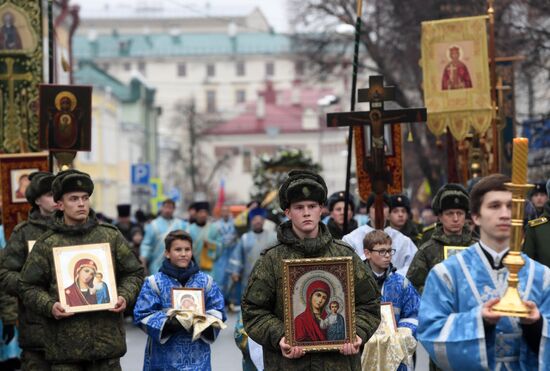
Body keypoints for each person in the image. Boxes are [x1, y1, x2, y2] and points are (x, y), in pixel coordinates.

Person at [242, 169, 381, 370]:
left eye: (312, 206)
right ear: (287, 212)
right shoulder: (271, 260)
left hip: (338, 365)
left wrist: (357, 333)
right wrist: (282, 336)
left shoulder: (344, 255)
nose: (306, 212)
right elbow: (253, 311)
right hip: (288, 365)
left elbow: (369, 303)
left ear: (321, 209)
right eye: (299, 207)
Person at [418, 174, 550, 369]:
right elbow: (430, 332)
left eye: (511, 205)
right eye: (495, 206)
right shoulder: (447, 274)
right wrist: (479, 319)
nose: (505, 214)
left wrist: (536, 325)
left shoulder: (543, 276)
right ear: (476, 216)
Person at [19, 169, 144, 370]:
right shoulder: (47, 244)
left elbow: (134, 272)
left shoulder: (109, 236)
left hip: (106, 347)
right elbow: (27, 286)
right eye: (74, 199)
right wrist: (50, 306)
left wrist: (123, 296)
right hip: (65, 350)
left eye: (85, 198)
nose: (81, 203)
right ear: (59, 205)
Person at [133, 230, 226, 371]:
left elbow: (218, 310)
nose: (183, 254)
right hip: (164, 358)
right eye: (178, 249)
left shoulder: (206, 281)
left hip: (198, 356)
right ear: (167, 253)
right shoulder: (154, 282)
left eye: (187, 249)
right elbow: (142, 314)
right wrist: (170, 323)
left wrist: (204, 321)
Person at [0, 171, 56, 370]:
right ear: (37, 200)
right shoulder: (23, 234)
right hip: (37, 330)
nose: (56, 200)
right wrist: (30, 288)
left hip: (78, 334)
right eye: (50, 195)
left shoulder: (77, 229)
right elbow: (6, 275)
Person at [363, 230, 420, 371]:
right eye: (382, 251)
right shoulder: (357, 282)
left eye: (389, 250)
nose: (388, 255)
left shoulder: (402, 283)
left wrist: (403, 333)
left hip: (395, 352)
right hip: (364, 351)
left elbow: (415, 313)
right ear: (367, 253)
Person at [407, 183, 476, 293]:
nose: (455, 218)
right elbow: (412, 287)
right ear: (440, 217)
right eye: (449, 214)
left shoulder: (477, 248)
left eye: (460, 213)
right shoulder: (427, 251)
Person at [343, 193, 417, 276]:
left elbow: (413, 266)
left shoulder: (404, 240)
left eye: (384, 206)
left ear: (389, 211)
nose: (379, 210)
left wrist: (394, 278)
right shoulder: (351, 239)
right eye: (375, 206)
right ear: (368, 211)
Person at [228, 207, 277, 307]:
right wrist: (235, 271)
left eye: (260, 220)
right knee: (248, 302)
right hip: (248, 277)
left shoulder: (273, 237)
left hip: (269, 277)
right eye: (255, 220)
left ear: (264, 221)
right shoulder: (245, 237)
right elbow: (237, 256)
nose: (258, 222)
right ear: (251, 221)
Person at [140, 198, 188, 274]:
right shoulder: (153, 225)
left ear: (174, 209)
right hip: (157, 265)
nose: (167, 210)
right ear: (161, 208)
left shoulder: (181, 225)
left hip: (177, 266)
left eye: (170, 208)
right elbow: (146, 245)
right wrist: (143, 261)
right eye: (165, 207)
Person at [186, 202, 222, 280]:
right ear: (196, 214)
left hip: (209, 269)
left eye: (205, 212)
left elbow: (220, 246)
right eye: (201, 212)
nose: (203, 215)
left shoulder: (214, 228)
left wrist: (210, 244)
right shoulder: (189, 229)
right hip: (192, 268)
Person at [214, 204, 238, 300]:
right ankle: (220, 300)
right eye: (223, 211)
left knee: (232, 278)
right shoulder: (216, 225)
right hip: (220, 256)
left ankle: (231, 300)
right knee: (220, 278)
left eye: (227, 210)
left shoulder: (236, 223)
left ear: (229, 212)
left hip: (232, 254)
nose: (225, 213)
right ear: (221, 212)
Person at [523, 179, 550, 267]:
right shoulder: (535, 227)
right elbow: (527, 266)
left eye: (542, 195)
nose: (539, 198)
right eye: (536, 195)